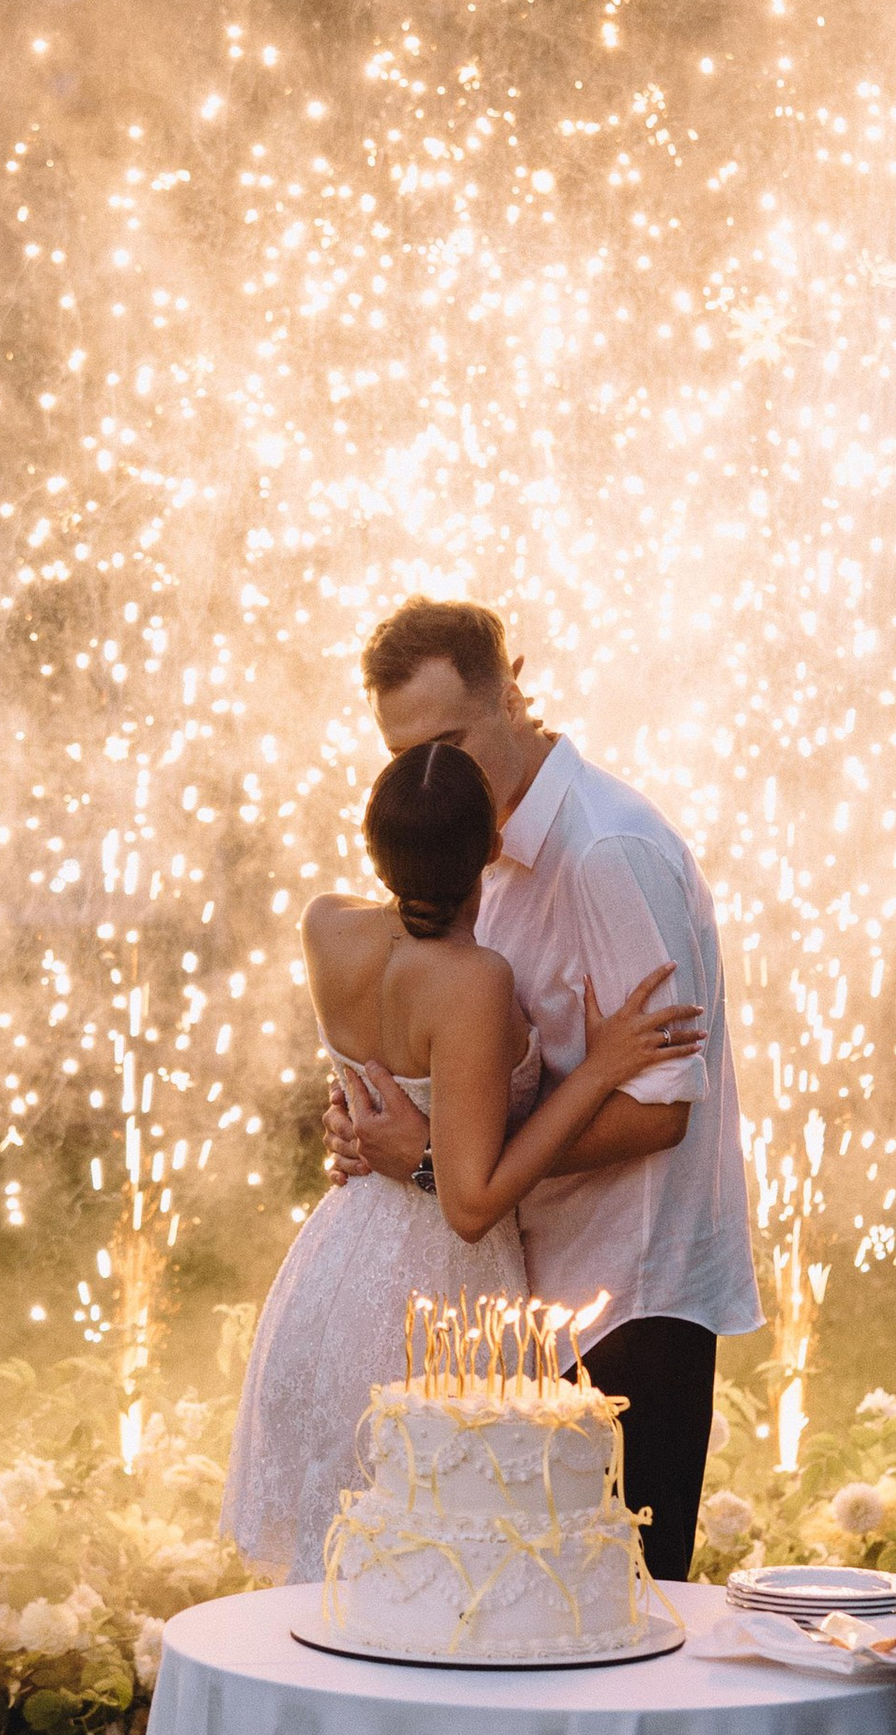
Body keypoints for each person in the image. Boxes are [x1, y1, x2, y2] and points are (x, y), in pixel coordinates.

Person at [329, 597, 759, 1584]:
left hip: (628, 1303)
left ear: (514, 694)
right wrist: (380, 1124)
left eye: (450, 738)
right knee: (516, 1621)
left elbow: (658, 1105)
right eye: (404, 754)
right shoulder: (470, 863)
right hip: (525, 1299)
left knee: (617, 1618)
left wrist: (443, 1159)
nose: (434, 775)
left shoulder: (605, 851)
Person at [216, 735, 704, 1581]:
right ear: (489, 850)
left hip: (331, 1271)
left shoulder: (325, 926)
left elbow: (370, 1069)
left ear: (374, 847)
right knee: (444, 1570)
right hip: (432, 1298)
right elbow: (471, 1206)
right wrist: (597, 1071)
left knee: (346, 1578)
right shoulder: (474, 981)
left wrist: (358, 1117)